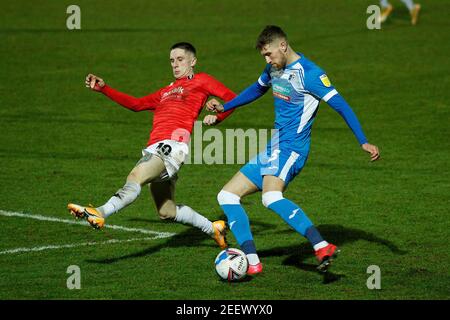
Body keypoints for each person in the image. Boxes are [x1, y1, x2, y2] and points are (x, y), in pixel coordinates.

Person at [206, 26, 380, 274]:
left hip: (293, 149)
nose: (267, 60)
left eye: (269, 54)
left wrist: (362, 140)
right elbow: (257, 89)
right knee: (227, 196)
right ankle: (253, 263)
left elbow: (342, 106)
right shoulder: (273, 69)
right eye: (264, 56)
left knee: (271, 197)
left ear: (283, 46)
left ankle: (321, 245)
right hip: (274, 147)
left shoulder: (310, 74)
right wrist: (225, 108)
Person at [68, 42, 236, 249]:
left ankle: (101, 212)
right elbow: (136, 104)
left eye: (180, 60)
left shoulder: (202, 80)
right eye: (172, 61)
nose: (175, 65)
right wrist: (104, 89)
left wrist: (218, 117)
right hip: (159, 146)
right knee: (167, 211)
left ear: (193, 61)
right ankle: (213, 229)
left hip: (172, 145)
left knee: (135, 177)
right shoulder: (165, 91)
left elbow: (231, 98)